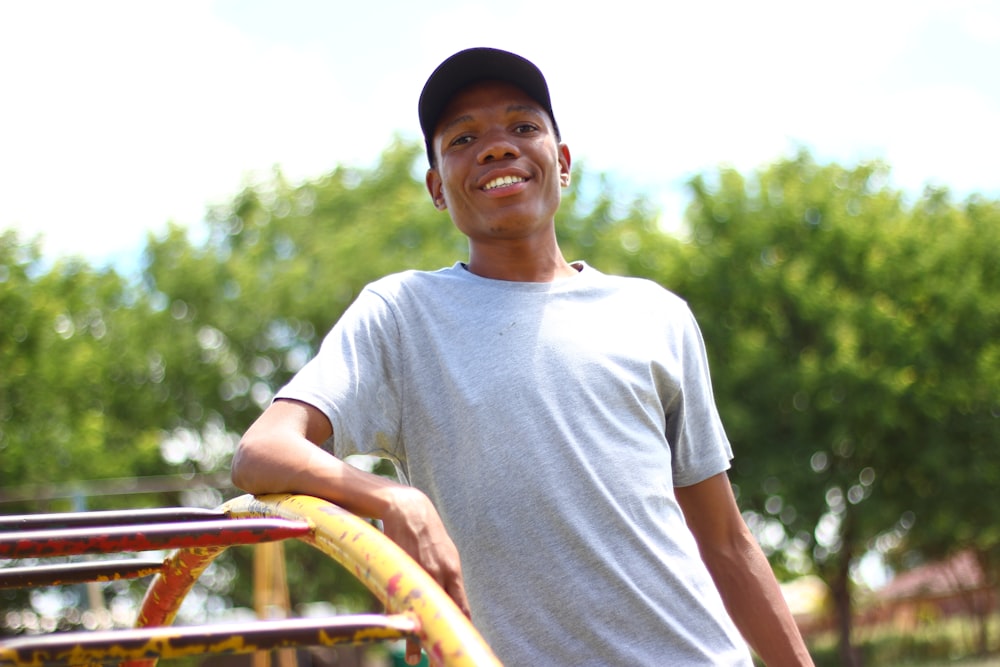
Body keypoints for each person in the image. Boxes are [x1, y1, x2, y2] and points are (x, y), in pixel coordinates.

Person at [232, 47, 814, 666]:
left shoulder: (655, 314)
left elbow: (725, 541)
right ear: (437, 188)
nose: (496, 146)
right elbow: (262, 452)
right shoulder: (402, 313)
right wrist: (392, 498)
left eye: (523, 126)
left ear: (561, 163)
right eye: (462, 138)